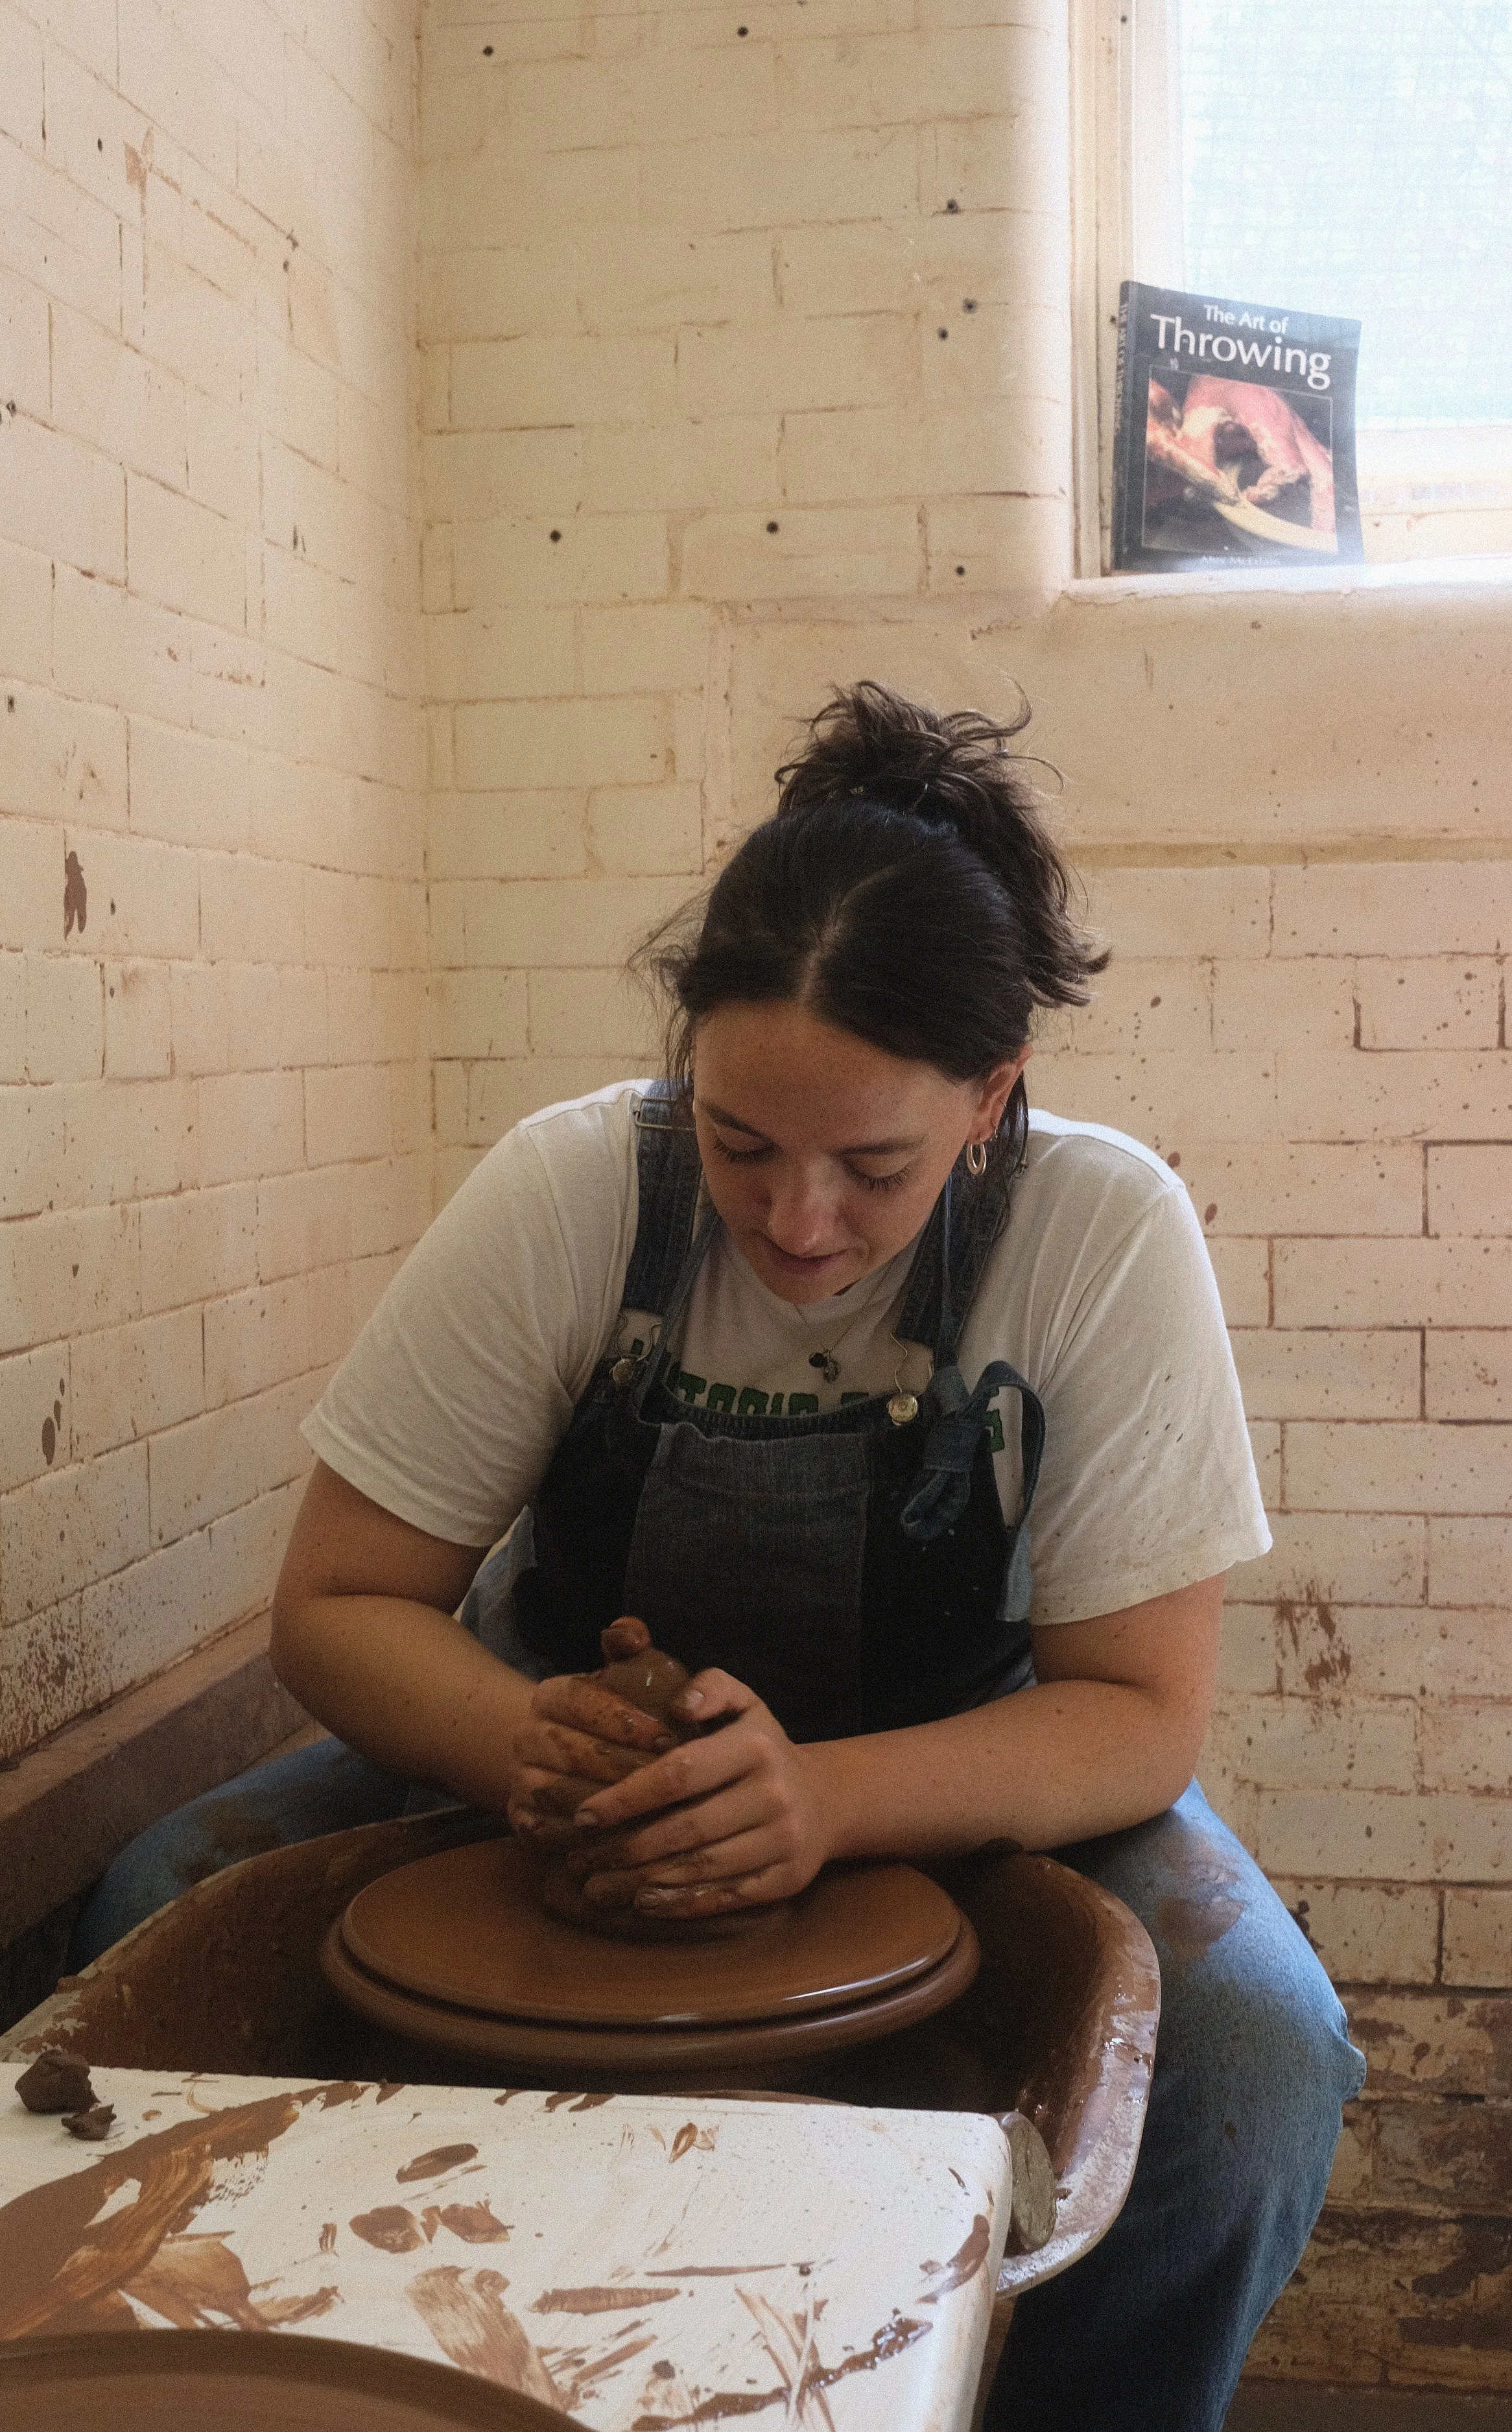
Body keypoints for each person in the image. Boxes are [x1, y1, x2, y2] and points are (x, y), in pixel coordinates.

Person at [71, 684, 1364, 2432]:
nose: (797, 1218)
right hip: (561, 1786)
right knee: (163, 1906)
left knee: (1253, 2075)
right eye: (741, 1141)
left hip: (968, 1787)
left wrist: (816, 1801)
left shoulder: (1097, 1229)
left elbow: (1137, 1716)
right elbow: (342, 1600)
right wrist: (527, 1744)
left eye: (874, 1165)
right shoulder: (574, 1186)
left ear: (991, 1099)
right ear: (689, 1063)